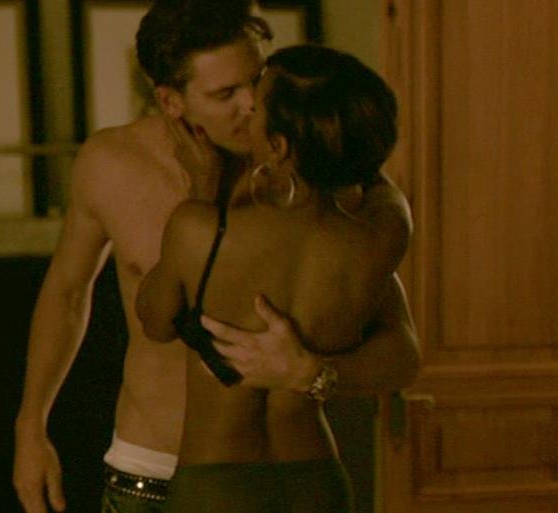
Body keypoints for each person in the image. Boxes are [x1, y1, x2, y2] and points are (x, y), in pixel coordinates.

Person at [12, 2, 419, 512]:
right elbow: (68, 294)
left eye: (258, 81)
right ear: (171, 100)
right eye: (225, 93)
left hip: (279, 477)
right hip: (146, 470)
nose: (250, 104)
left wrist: (314, 372)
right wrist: (31, 427)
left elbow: (401, 350)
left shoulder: (320, 176)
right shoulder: (112, 163)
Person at [135, 44, 408, 513]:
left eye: (257, 105)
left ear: (279, 146)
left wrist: (202, 191)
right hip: (316, 480)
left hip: (218, 487)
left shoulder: (202, 227)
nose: (246, 109)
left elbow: (155, 321)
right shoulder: (382, 232)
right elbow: (405, 355)